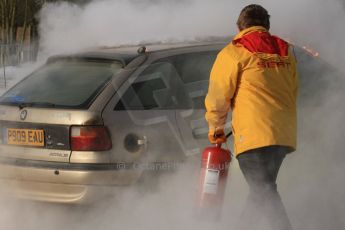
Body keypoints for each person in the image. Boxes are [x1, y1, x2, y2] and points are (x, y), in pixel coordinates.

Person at [205, 4, 298, 230]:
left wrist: (216, 129)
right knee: (261, 190)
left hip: (254, 135)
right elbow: (293, 90)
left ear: (239, 26)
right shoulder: (286, 50)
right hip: (283, 135)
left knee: (264, 190)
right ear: (266, 26)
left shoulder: (234, 51)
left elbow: (218, 95)